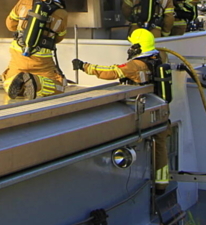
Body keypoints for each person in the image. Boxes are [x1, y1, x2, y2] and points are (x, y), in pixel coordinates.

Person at [72, 28, 173, 192]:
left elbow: (111, 72)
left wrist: (85, 66)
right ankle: (162, 183)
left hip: (142, 111)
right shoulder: (159, 57)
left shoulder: (136, 65)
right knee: (160, 147)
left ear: (138, 47)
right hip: (160, 109)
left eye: (132, 44)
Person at [3, 0, 70, 99]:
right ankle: (37, 83)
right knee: (59, 86)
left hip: (18, 54)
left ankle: (12, 82)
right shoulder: (61, 14)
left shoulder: (25, 1)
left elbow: (10, 25)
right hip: (42, 60)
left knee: (9, 77)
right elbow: (58, 38)